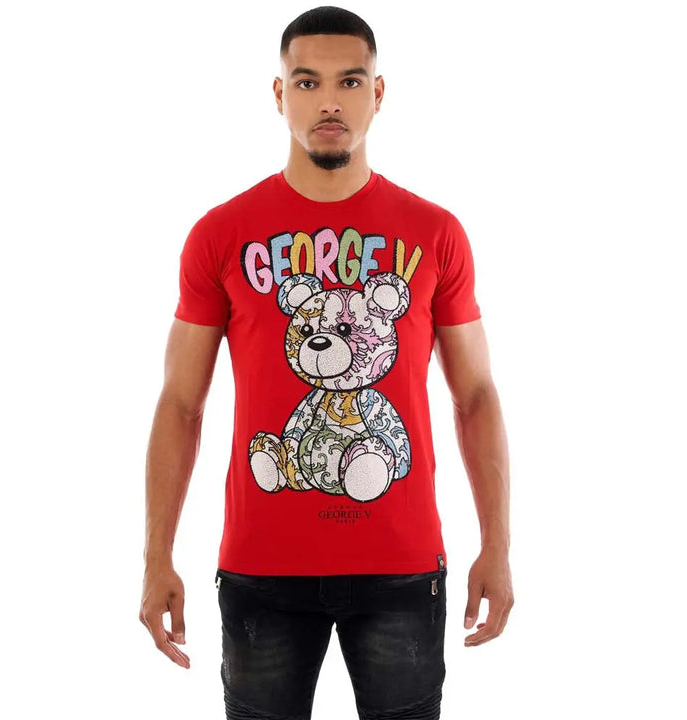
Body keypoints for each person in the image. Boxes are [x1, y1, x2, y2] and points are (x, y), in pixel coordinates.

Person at [139, 5, 513, 719]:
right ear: (280, 94)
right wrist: (156, 557)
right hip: (261, 569)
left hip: (402, 568)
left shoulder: (436, 233)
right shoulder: (220, 234)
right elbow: (180, 403)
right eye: (308, 82)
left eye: (350, 81)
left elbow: (476, 396)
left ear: (379, 93)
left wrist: (497, 546)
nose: (330, 101)